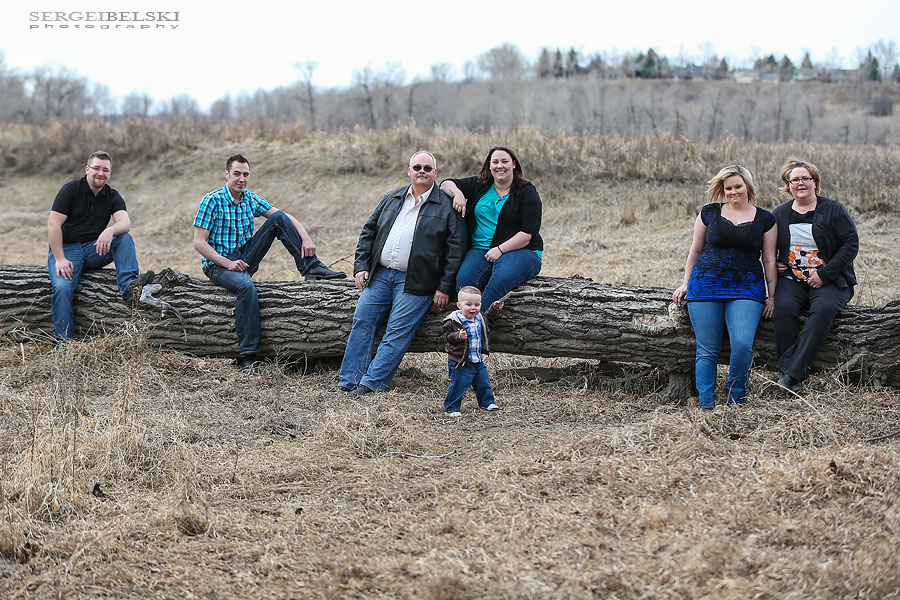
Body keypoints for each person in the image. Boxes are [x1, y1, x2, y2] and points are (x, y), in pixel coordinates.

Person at [193, 154, 345, 375]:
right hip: (218, 263)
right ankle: (248, 357)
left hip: (244, 257)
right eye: (236, 173)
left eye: (245, 174)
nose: (241, 179)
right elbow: (199, 243)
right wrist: (228, 263)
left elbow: (283, 216)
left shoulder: (250, 199)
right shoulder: (212, 200)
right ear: (227, 174)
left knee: (278, 219)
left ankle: (311, 266)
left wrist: (306, 237)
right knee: (246, 288)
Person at [337, 151, 466, 395]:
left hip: (418, 281)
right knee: (362, 321)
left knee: (397, 331)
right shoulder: (392, 197)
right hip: (381, 275)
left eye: (428, 168)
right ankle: (348, 381)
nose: (422, 171)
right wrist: (362, 266)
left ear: (435, 174)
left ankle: (371, 384)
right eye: (417, 167)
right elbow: (368, 232)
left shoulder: (446, 206)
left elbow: (455, 251)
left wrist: (444, 286)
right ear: (409, 171)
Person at [673, 165, 777, 410]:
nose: (733, 192)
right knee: (707, 348)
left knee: (742, 344)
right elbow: (695, 250)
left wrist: (771, 297)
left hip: (747, 287)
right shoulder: (709, 213)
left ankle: (736, 398)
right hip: (705, 284)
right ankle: (707, 404)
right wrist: (686, 283)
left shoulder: (765, 219)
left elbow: (770, 260)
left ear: (748, 187)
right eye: (728, 188)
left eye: (737, 186)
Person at [48, 150, 153, 342]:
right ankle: (64, 344)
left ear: (110, 173)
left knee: (124, 238)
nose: (100, 173)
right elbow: (53, 224)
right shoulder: (70, 190)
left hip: (94, 249)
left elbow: (125, 223)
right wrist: (60, 258)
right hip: (68, 250)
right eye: (96, 168)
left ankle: (130, 287)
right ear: (87, 169)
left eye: (105, 170)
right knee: (63, 289)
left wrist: (109, 231)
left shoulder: (112, 195)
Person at [772, 156, 858, 392]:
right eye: (795, 179)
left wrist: (825, 273)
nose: (800, 183)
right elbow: (769, 246)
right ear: (788, 185)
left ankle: (789, 373)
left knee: (824, 310)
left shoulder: (832, 209)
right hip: (793, 279)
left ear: (815, 182)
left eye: (805, 179)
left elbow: (851, 244)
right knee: (783, 308)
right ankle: (793, 376)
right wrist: (779, 262)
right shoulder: (779, 214)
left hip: (830, 279)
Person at [440, 146, 543, 310]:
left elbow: (527, 234)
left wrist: (500, 250)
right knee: (464, 281)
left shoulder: (527, 192)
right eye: (495, 162)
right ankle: (466, 323)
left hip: (521, 250)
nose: (499, 166)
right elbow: (446, 183)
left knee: (499, 280)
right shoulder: (480, 185)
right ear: (489, 165)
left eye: (504, 161)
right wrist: (458, 194)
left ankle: (477, 324)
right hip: (480, 249)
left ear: (514, 164)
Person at [442, 286, 503, 417]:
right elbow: (447, 337)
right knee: (459, 385)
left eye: (477, 304)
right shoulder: (453, 321)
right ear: (459, 305)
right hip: (461, 361)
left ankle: (486, 402)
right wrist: (458, 336)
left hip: (477, 359)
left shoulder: (479, 318)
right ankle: (451, 408)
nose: (473, 308)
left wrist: (495, 308)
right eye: (468, 304)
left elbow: (489, 318)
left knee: (484, 382)